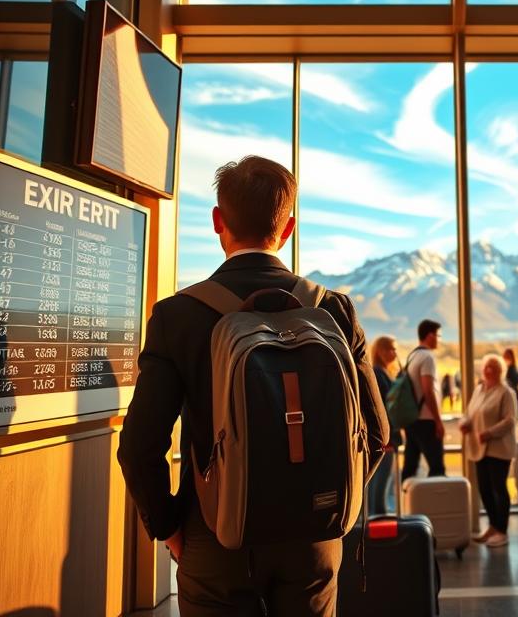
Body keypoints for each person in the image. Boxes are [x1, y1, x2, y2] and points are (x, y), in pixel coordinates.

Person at [117, 156, 388, 617]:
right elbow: (377, 434)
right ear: (289, 229)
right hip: (314, 539)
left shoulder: (178, 316)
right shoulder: (334, 311)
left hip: (216, 535)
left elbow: (140, 447)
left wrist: (170, 528)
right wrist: (330, 501)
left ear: (218, 221)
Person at [460, 354, 518, 548]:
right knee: (485, 488)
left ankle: (502, 531)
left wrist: (489, 433)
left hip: (498, 449)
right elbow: (470, 414)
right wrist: (465, 424)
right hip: (480, 449)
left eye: (494, 367)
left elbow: (510, 421)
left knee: (499, 489)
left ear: (501, 370)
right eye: (487, 367)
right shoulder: (479, 390)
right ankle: (493, 526)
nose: (489, 370)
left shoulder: (506, 392)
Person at [401, 319, 446, 481]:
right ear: (430, 335)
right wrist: (438, 420)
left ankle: (408, 504)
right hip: (426, 420)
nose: (439, 339)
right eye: (438, 335)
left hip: (412, 419)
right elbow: (428, 390)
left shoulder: (413, 356)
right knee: (437, 468)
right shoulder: (427, 357)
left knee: (410, 467)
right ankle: (438, 505)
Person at [368, 335, 400, 515]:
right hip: (385, 438)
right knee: (381, 480)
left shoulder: (380, 372)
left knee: (378, 481)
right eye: (390, 349)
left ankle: (376, 515)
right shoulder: (379, 374)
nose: (394, 353)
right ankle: (378, 517)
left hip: (384, 437)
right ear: (380, 352)